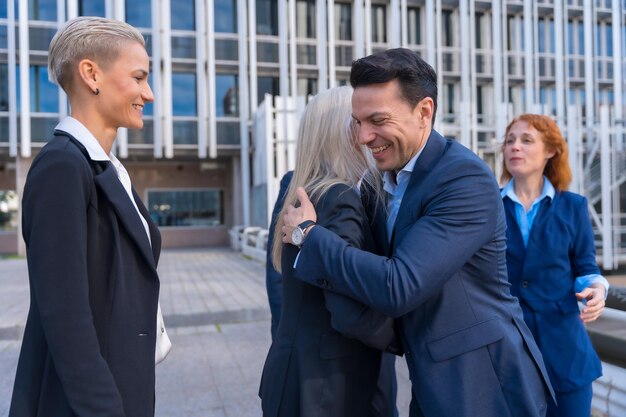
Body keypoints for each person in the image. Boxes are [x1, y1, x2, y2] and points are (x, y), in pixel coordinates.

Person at [281, 48, 554, 417]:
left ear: (424, 111)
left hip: (484, 383)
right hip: (430, 377)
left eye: (377, 120)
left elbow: (398, 285)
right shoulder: (381, 182)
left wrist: (309, 236)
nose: (364, 136)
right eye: (358, 122)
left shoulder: (463, 178)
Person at [9, 16, 166, 417]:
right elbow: (66, 319)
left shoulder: (105, 168)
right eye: (139, 77)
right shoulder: (63, 168)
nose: (148, 93)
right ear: (91, 74)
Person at [259, 86, 400, 417]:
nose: (369, 133)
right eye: (359, 121)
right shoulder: (339, 196)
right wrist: (403, 336)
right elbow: (348, 306)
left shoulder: (305, 193)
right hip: (330, 385)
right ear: (343, 131)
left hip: (299, 375)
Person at [500, 114, 607, 417]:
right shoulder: (489, 206)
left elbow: (585, 268)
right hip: (508, 352)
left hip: (565, 352)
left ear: (551, 151)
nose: (514, 147)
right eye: (510, 141)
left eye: (526, 140)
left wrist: (597, 289)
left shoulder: (573, 206)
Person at [266, 170, 293, 341]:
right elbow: (276, 264)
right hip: (298, 335)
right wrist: (283, 327)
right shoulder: (293, 182)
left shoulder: (383, 183)